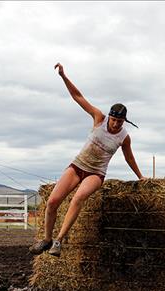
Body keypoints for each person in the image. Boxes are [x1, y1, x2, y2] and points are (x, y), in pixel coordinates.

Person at [29, 63, 146, 257]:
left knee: (78, 198)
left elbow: (129, 158)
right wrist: (64, 77)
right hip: (77, 166)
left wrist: (141, 177)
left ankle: (59, 241)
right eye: (114, 120)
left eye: (120, 121)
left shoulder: (124, 137)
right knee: (52, 202)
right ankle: (47, 239)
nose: (116, 124)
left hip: (96, 173)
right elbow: (78, 97)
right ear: (109, 116)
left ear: (125, 121)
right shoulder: (98, 118)